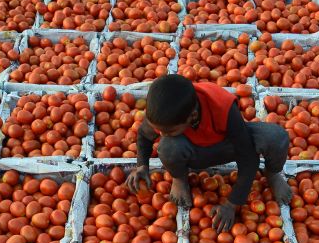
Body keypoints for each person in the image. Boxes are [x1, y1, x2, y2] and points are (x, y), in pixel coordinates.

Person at [125, 74, 291, 233]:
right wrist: (142, 166)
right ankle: (179, 179)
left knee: (276, 137)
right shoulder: (163, 113)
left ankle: (273, 173)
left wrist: (232, 204)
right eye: (159, 130)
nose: (161, 134)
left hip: (227, 145)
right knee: (167, 147)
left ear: (193, 116)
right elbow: (144, 135)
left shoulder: (222, 107)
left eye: (169, 131)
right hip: (193, 151)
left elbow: (247, 156)